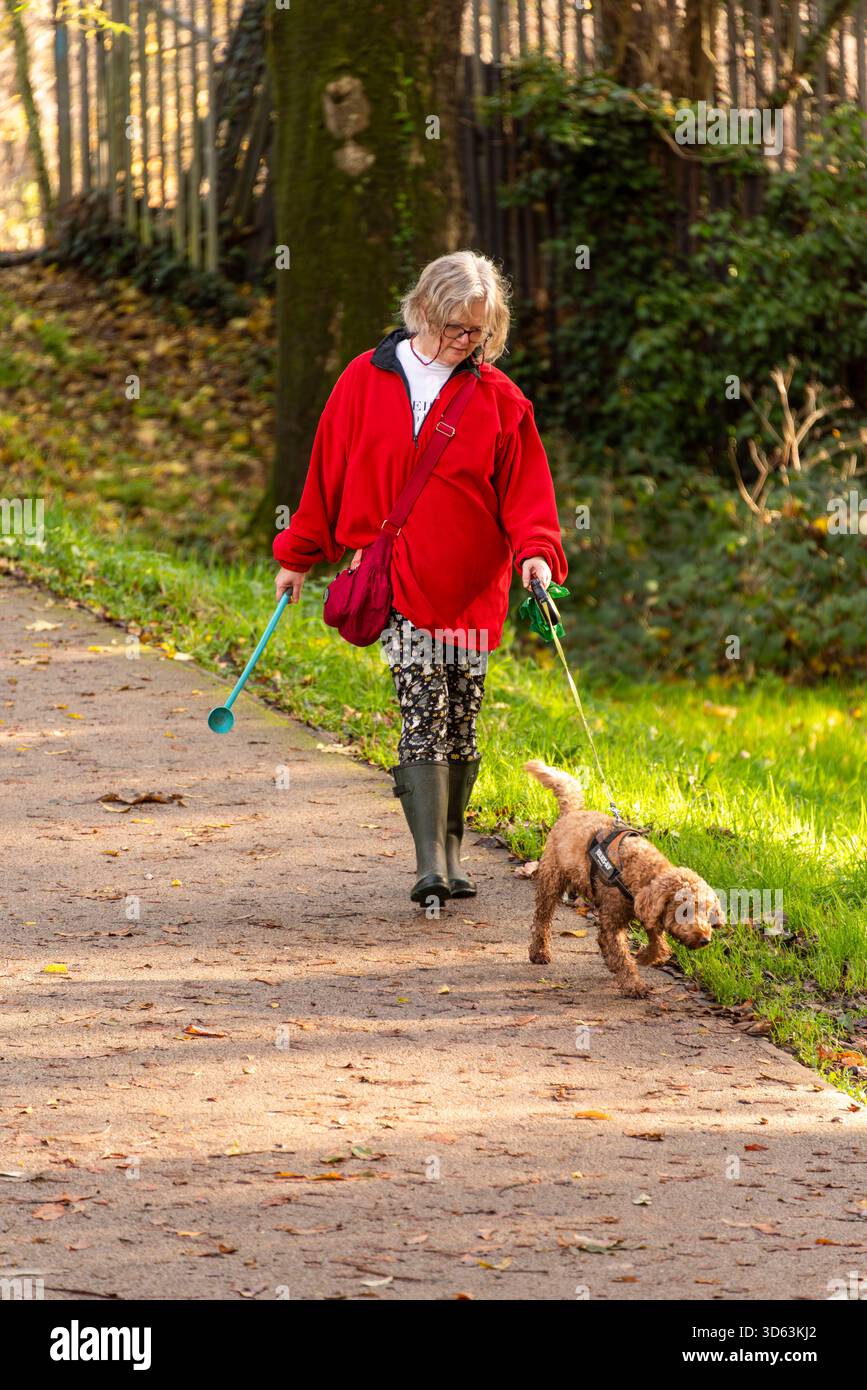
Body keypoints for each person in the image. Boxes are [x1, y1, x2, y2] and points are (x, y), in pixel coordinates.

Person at [273, 250, 567, 906]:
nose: (467, 344)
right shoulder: (362, 380)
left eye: (480, 334)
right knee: (421, 706)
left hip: (472, 585)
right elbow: (324, 474)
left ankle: (455, 853)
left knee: (462, 714)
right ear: (424, 310)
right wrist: (298, 554)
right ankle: (429, 862)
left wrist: (535, 556)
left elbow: (526, 496)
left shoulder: (499, 400)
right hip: (397, 579)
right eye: (457, 329)